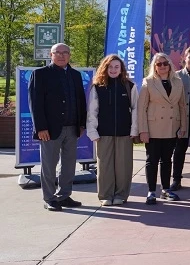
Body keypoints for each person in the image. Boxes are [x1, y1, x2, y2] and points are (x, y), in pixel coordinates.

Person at [30, 43, 87, 211]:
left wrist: (81, 124)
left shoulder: (76, 75)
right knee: (49, 165)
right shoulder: (40, 74)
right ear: (51, 55)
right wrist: (40, 127)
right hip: (49, 129)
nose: (61, 55)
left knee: (69, 165)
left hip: (72, 128)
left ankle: (64, 196)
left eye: (65, 52)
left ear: (69, 55)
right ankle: (49, 198)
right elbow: (35, 103)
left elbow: (80, 100)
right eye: (58, 52)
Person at [87, 54, 138, 206]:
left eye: (117, 67)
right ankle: (105, 195)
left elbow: (135, 109)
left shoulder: (130, 86)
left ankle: (121, 195)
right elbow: (92, 111)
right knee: (105, 166)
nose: (113, 69)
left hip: (125, 133)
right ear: (105, 68)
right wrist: (93, 131)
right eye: (110, 67)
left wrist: (134, 129)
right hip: (103, 133)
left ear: (121, 69)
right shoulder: (97, 87)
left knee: (124, 166)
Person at [137, 53, 187, 204]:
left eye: (165, 63)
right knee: (152, 160)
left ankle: (166, 189)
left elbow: (182, 106)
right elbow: (142, 108)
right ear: (154, 67)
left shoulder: (178, 82)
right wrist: (143, 130)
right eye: (159, 64)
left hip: (172, 127)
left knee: (167, 160)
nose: (163, 66)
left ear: (170, 65)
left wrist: (183, 126)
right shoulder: (148, 82)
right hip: (153, 128)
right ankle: (151, 191)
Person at [173, 46, 190, 190]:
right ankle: (176, 179)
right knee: (179, 150)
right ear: (184, 58)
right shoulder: (176, 76)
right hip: (181, 119)